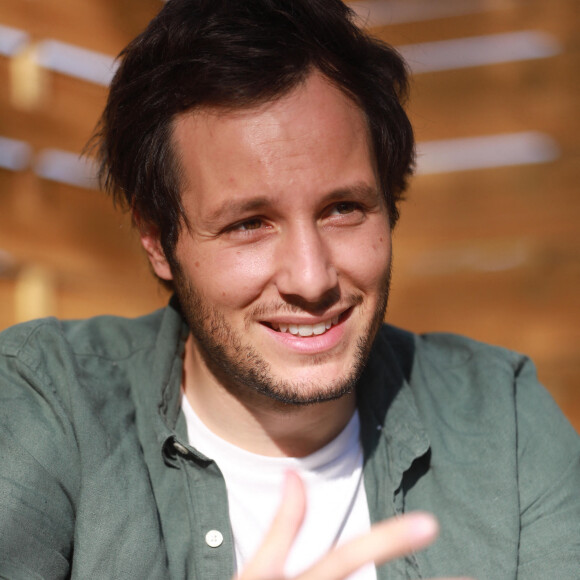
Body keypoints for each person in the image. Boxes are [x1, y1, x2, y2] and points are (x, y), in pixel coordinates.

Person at [0, 0, 578, 578]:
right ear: (157, 240)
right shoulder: (50, 404)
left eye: (344, 209)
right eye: (248, 224)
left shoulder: (504, 417)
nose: (312, 278)